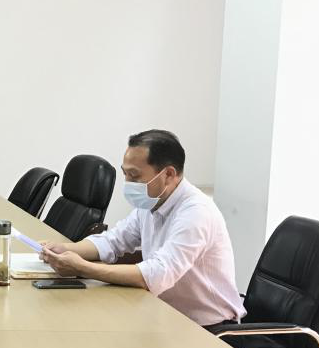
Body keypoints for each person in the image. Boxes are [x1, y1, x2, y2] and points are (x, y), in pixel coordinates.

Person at [40, 129, 244, 327]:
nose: (128, 183)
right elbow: (113, 240)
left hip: (209, 329)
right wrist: (65, 249)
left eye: (134, 176)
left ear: (168, 174)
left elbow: (157, 274)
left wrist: (83, 268)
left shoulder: (196, 212)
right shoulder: (152, 202)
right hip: (164, 314)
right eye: (125, 174)